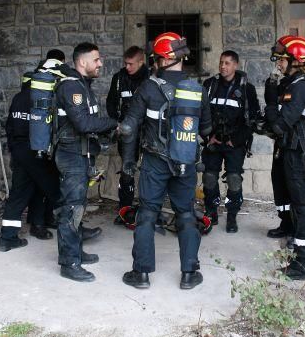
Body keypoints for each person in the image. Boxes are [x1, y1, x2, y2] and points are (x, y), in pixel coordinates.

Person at [120, 32, 212, 290]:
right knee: (185, 213)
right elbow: (206, 130)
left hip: (155, 161)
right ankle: (189, 274)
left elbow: (128, 128)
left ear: (162, 59)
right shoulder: (197, 89)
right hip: (186, 162)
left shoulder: (148, 87)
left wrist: (128, 161)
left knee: (148, 213)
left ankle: (142, 274)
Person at [55, 42, 118, 283]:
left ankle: (76, 252)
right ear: (82, 62)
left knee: (78, 206)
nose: (100, 63)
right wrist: (113, 123)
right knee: (72, 210)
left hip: (80, 155)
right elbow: (83, 125)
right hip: (71, 157)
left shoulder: (82, 85)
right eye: (96, 59)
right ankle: (69, 263)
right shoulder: (72, 87)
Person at [264, 35, 305, 280]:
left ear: (296, 61)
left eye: (282, 59)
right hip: (293, 151)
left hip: (301, 156)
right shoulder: (294, 83)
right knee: (295, 204)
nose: (278, 64)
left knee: (304, 207)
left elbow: (281, 123)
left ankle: (302, 265)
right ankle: (297, 252)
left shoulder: (300, 86)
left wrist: (269, 106)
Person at [0, 64, 64, 251]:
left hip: (19, 151)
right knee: (54, 190)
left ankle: (7, 237)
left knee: (19, 194)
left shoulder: (18, 97)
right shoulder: (42, 98)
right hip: (35, 151)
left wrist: (14, 149)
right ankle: (72, 228)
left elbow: (9, 126)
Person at [202, 50, 260, 233]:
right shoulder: (210, 85)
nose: (223, 66)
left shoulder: (246, 89)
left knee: (234, 179)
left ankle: (232, 215)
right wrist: (207, 136)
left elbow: (252, 119)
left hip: (235, 144)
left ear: (236, 65)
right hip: (213, 141)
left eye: (227, 63)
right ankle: (211, 212)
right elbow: (201, 114)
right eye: (221, 63)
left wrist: (236, 140)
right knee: (209, 177)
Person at [106, 46, 149, 227]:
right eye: (125, 63)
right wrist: (117, 125)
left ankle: (148, 211)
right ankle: (125, 210)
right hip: (126, 133)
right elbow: (111, 103)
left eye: (131, 64)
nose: (127, 67)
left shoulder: (151, 79)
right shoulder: (119, 79)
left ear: (141, 62)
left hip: (148, 132)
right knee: (127, 171)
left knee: (150, 172)